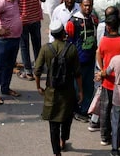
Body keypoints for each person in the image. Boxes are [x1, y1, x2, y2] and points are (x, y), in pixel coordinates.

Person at [34, 17, 81, 156]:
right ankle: (63, 139)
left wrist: (38, 87)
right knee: (67, 118)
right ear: (63, 32)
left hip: (51, 93)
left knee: (53, 125)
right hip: (68, 92)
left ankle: (57, 153)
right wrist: (81, 92)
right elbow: (78, 73)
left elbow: (37, 70)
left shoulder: (45, 49)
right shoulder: (71, 49)